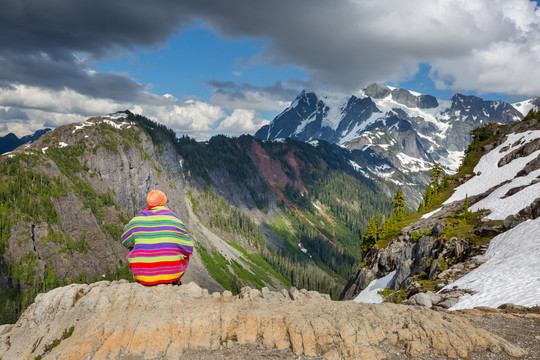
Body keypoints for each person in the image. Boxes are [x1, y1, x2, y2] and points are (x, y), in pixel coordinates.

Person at [121, 190, 193, 285]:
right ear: (164, 203)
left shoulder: (135, 221)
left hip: (142, 275)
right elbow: (188, 248)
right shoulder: (175, 220)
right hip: (171, 274)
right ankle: (175, 281)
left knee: (134, 244)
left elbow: (125, 242)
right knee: (183, 250)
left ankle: (142, 276)